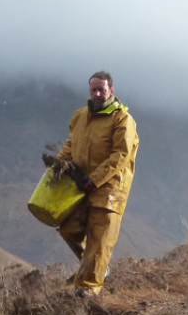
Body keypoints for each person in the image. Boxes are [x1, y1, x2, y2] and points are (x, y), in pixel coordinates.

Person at [53, 70, 139, 296]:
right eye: (94, 89)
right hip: (80, 185)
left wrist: (96, 180)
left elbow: (121, 155)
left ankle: (88, 288)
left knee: (100, 239)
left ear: (111, 90)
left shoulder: (123, 119)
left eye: (102, 89)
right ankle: (98, 269)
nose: (98, 93)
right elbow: (71, 145)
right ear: (90, 91)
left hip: (110, 189)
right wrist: (59, 166)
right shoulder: (80, 116)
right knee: (68, 228)